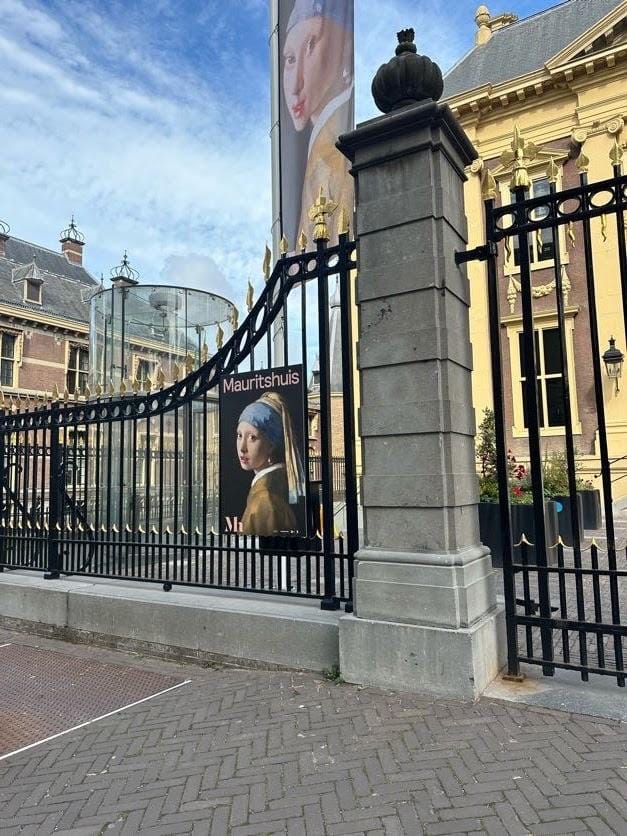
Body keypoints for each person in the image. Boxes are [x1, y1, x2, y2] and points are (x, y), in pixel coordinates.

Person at [282, 0, 354, 243]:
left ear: (344, 46)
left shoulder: (330, 152)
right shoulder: (319, 148)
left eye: (311, 45)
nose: (295, 85)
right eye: (290, 59)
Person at [236, 392, 305, 537]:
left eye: (252, 437)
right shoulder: (275, 486)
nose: (242, 447)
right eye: (239, 435)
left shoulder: (264, 500)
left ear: (271, 445)